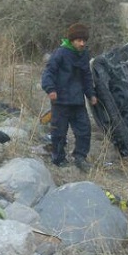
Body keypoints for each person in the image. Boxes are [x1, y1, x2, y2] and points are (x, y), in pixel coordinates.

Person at [40, 22, 97, 172]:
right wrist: (50, 89)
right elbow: (48, 73)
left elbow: (86, 76)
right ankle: (58, 158)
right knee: (59, 132)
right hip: (61, 101)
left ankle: (80, 157)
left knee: (84, 130)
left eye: (84, 41)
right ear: (72, 40)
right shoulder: (60, 53)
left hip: (77, 101)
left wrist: (91, 94)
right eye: (79, 40)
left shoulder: (84, 54)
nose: (82, 43)